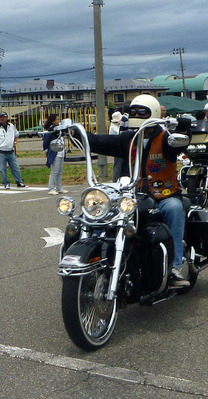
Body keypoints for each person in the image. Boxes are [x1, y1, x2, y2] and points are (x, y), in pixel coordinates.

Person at [84, 94, 191, 287]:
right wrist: (81, 135)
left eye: (142, 112)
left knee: (174, 209)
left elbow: (179, 146)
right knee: (108, 214)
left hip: (163, 195)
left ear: (153, 114)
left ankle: (174, 267)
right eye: (134, 112)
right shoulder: (129, 138)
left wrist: (184, 130)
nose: (137, 115)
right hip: (135, 195)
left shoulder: (166, 138)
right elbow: (102, 142)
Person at [0, 112, 26, 189]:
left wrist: (15, 142)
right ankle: (5, 183)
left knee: (15, 167)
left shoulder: (11, 126)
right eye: (1, 117)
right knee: (3, 169)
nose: (2, 118)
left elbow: (16, 134)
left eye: (4, 117)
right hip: (1, 151)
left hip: (10, 151)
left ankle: (19, 182)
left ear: (7, 118)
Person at [42, 113, 68, 195]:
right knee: (54, 171)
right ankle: (51, 188)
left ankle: (59, 187)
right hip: (54, 152)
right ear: (53, 121)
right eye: (57, 119)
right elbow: (45, 142)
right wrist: (46, 151)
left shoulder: (60, 130)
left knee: (60, 171)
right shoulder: (51, 130)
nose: (58, 121)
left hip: (61, 152)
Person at [110, 111, 127, 181]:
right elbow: (120, 133)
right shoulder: (113, 127)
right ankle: (115, 179)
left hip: (120, 147)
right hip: (116, 148)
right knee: (117, 165)